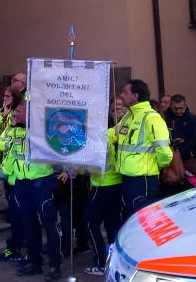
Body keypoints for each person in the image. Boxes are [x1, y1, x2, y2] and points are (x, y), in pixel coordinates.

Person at [7, 100, 62, 281]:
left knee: (49, 223)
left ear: (29, 113)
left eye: (19, 111)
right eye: (15, 111)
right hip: (22, 184)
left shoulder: (42, 130)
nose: (15, 114)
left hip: (41, 182)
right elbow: (6, 149)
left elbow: (56, 150)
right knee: (29, 224)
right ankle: (34, 261)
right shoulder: (15, 130)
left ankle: (55, 265)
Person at [115, 80, 172, 217]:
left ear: (135, 95)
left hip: (144, 179)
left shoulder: (152, 118)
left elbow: (164, 152)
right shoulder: (129, 116)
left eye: (125, 92)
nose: (122, 95)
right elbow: (114, 134)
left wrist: (155, 166)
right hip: (128, 178)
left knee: (145, 220)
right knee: (132, 219)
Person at [83, 105, 123, 277]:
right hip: (116, 185)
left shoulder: (100, 139)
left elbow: (90, 164)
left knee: (89, 222)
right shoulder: (113, 136)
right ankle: (114, 264)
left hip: (103, 185)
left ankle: (100, 262)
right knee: (112, 226)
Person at [0, 90, 26, 264]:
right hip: (10, 177)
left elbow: (7, 146)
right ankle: (14, 247)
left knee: (19, 216)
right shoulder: (10, 123)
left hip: (21, 179)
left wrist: (9, 136)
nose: (4, 99)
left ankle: (18, 248)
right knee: (15, 215)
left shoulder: (24, 129)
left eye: (8, 97)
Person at [166, 94, 196, 163]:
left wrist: (182, 151)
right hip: (169, 156)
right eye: (176, 109)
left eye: (181, 108)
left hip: (189, 157)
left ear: (185, 106)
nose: (178, 111)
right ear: (171, 106)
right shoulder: (165, 118)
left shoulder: (192, 118)